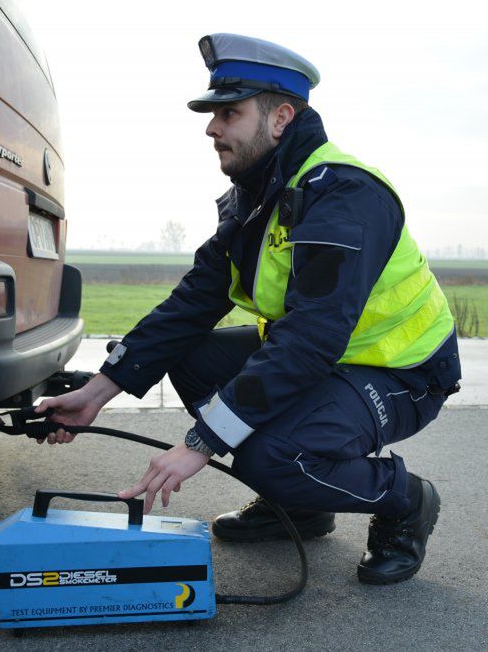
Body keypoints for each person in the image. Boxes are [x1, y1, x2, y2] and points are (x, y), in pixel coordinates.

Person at [36, 33, 461, 585]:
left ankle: (404, 500)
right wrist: (97, 391)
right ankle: (302, 507)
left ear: (281, 118)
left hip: (401, 370)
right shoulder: (255, 197)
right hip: (327, 359)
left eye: (228, 113)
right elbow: (193, 303)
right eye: (212, 114)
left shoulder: (345, 195)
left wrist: (202, 443)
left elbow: (311, 337)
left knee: (269, 457)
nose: (211, 128)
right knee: (187, 356)